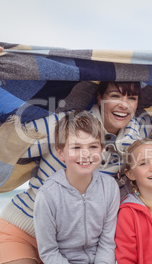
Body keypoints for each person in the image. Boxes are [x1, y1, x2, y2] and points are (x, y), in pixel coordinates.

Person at [0, 47, 152, 264]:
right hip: (21, 231)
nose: (124, 104)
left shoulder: (140, 127)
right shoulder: (65, 126)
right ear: (100, 97)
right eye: (116, 95)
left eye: (131, 98)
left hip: (73, 251)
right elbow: (1, 144)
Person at [33, 111, 119, 263]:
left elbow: (107, 244)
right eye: (76, 147)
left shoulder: (110, 187)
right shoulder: (47, 196)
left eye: (93, 146)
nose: (85, 154)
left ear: (102, 149)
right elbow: (49, 252)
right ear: (61, 153)